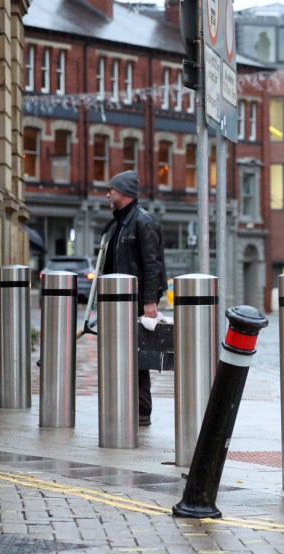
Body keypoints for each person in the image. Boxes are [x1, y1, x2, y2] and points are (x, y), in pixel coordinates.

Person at [103, 170, 167, 427]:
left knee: (138, 356)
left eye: (111, 189)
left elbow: (153, 265)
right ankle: (127, 406)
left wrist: (150, 302)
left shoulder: (143, 221)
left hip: (137, 301)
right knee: (123, 354)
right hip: (119, 300)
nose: (107, 194)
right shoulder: (120, 223)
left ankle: (142, 411)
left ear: (124, 193)